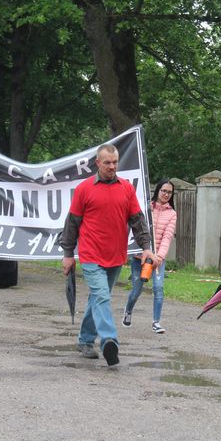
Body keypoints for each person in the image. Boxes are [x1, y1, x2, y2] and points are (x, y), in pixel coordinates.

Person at [59, 144, 156, 366]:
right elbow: (72, 224)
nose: (112, 167)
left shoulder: (126, 189)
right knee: (102, 296)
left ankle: (85, 340)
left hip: (115, 256)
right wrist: (68, 254)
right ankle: (109, 340)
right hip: (91, 255)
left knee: (97, 298)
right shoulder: (84, 189)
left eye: (115, 162)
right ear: (97, 163)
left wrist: (146, 247)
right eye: (107, 163)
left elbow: (137, 221)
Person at [123, 178, 177, 334]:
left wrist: (159, 257)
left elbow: (167, 237)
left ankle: (156, 322)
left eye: (169, 192)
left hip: (158, 258)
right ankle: (128, 310)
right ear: (158, 190)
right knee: (137, 290)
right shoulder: (145, 208)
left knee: (158, 288)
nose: (166, 194)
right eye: (164, 191)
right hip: (140, 257)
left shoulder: (172, 214)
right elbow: (136, 228)